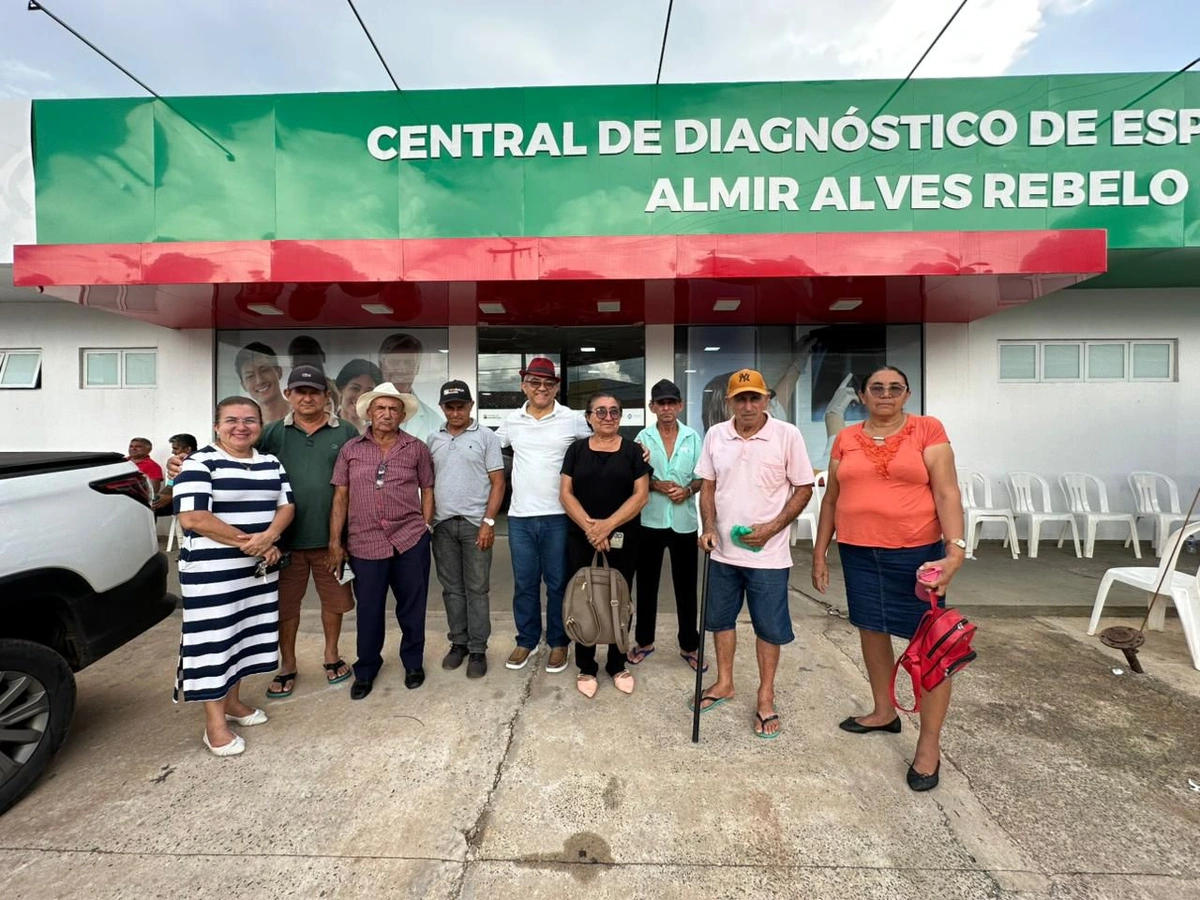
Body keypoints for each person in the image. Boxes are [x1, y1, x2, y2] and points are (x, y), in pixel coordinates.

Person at [811, 366, 967, 792]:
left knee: (931, 647)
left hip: (917, 555)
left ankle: (929, 744)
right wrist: (820, 552)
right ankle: (884, 711)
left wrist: (955, 550)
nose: (885, 394)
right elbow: (832, 499)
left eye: (894, 388)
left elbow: (947, 492)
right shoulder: (846, 438)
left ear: (906, 394)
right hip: (859, 553)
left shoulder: (927, 430)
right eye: (876, 388)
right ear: (862, 395)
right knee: (872, 630)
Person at [172, 396, 295, 757]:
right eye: (231, 420)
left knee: (243, 636)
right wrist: (256, 544)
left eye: (250, 420)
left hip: (254, 571)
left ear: (260, 425)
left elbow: (287, 505)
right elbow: (194, 518)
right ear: (216, 426)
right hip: (213, 573)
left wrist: (270, 537)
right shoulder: (199, 462)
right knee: (215, 640)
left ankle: (234, 703)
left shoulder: (270, 462)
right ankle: (215, 724)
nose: (241, 427)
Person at [696, 369, 815, 739]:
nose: (747, 405)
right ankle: (724, 682)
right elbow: (708, 488)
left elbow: (803, 488)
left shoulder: (787, 435)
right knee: (720, 620)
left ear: (766, 400)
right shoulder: (717, 435)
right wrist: (709, 528)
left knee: (769, 627)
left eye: (754, 398)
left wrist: (771, 529)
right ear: (729, 402)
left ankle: (765, 696)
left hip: (768, 556)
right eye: (740, 398)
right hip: (723, 554)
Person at [259, 365, 361, 699]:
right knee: (286, 606)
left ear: (325, 396)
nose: (307, 397)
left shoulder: (345, 432)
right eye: (300, 391)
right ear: (288, 395)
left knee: (334, 602)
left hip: (332, 540)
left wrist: (344, 538)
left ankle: (331, 655)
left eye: (314, 391)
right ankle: (287, 664)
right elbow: (237, 458)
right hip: (284, 542)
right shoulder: (271, 433)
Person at [329, 383, 434, 700]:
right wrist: (336, 541)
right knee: (369, 611)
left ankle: (413, 663)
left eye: (393, 409)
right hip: (364, 542)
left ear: (402, 415)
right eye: (381, 408)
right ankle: (367, 669)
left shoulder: (416, 448)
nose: (387, 414)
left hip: (409, 540)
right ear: (369, 413)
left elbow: (428, 489)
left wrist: (425, 525)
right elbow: (340, 496)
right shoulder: (351, 450)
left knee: (412, 608)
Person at [495, 357, 592, 673]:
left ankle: (559, 642)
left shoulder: (572, 419)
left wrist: (636, 451)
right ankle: (526, 640)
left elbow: (601, 441)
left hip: (559, 517)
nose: (541, 388)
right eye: (534, 382)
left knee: (557, 584)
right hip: (521, 517)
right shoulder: (512, 421)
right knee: (524, 584)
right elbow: (486, 449)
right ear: (524, 385)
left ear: (556, 388)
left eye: (548, 383)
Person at [560, 393, 651, 697]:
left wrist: (607, 527)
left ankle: (616, 662)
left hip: (624, 537)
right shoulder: (575, 450)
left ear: (621, 417)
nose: (608, 416)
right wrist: (590, 528)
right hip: (581, 536)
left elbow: (641, 495)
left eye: (614, 411)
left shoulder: (633, 452)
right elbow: (565, 493)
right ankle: (586, 665)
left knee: (619, 597)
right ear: (588, 417)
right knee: (584, 597)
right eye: (600, 411)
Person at [427, 381, 506, 678]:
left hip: (476, 525)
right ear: (442, 408)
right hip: (443, 526)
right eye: (450, 406)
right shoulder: (433, 438)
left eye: (461, 405)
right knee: (451, 590)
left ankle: (477, 649)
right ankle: (458, 643)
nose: (456, 411)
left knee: (477, 589)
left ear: (471, 406)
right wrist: (429, 521)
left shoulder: (486, 437)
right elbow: (429, 485)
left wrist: (488, 522)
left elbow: (498, 483)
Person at [631, 379, 705, 670]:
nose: (666, 408)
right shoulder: (642, 438)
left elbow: (703, 477)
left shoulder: (692, 437)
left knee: (686, 586)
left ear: (680, 406)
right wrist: (657, 484)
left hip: (684, 522)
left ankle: (689, 646)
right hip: (650, 520)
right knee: (646, 584)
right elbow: (635, 476)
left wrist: (688, 490)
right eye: (660, 403)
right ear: (652, 407)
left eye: (671, 403)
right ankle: (644, 641)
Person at [378, 333, 443, 441]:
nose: (402, 370)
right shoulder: (361, 416)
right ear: (381, 366)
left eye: (408, 363)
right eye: (394, 362)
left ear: (417, 368)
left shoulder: (434, 422)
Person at [236, 342, 288, 424]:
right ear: (243, 385)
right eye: (250, 376)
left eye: (264, 370)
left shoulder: (302, 414)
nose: (259, 381)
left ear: (279, 372)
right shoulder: (244, 427)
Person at [152, 433, 197, 518]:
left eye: (175, 448)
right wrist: (159, 497)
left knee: (151, 508)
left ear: (188, 449)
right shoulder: (177, 464)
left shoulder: (198, 464)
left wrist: (171, 498)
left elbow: (196, 490)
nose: (172, 452)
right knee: (149, 505)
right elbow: (170, 486)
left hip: (190, 502)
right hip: (175, 498)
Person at [336, 358, 383, 433]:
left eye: (369, 391)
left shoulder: (380, 432)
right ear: (341, 389)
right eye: (355, 388)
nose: (361, 396)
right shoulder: (325, 427)